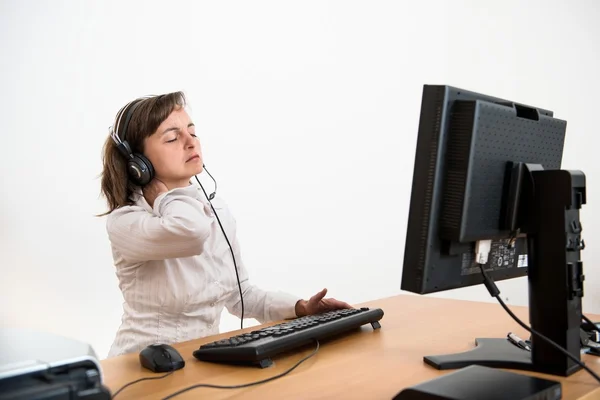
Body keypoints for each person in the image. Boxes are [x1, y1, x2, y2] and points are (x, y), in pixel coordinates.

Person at [100, 92, 352, 357]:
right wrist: (164, 196)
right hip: (141, 365)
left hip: (199, 362)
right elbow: (191, 232)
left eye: (192, 133)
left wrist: (300, 307)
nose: (190, 143)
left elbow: (239, 295)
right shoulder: (126, 221)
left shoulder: (214, 209)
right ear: (137, 163)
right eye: (173, 138)